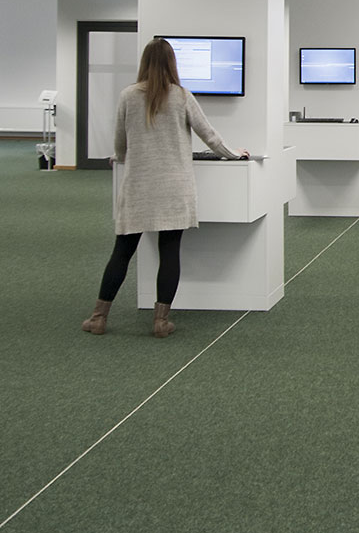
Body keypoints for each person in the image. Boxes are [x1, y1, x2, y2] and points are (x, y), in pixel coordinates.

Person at [81, 37, 249, 338]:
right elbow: (210, 136)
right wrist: (234, 154)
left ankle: (98, 318)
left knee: (122, 252)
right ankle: (161, 322)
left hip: (139, 187)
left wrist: (119, 157)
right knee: (169, 252)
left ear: (144, 63)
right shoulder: (182, 96)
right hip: (175, 188)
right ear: (172, 64)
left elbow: (120, 142)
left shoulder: (128, 96)